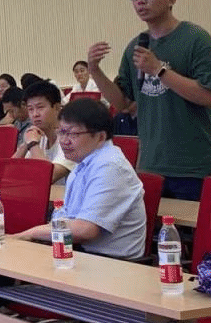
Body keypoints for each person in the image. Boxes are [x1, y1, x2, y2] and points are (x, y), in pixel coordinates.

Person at [87, 0, 211, 201]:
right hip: (151, 164)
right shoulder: (136, 46)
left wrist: (159, 70)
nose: (140, 0)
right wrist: (95, 70)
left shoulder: (196, 39)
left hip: (194, 166)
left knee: (193, 226)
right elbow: (124, 103)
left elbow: (210, 96)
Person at [15, 100, 146, 260]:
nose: (64, 141)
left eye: (73, 134)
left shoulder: (110, 166)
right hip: (81, 254)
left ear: (100, 137)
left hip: (112, 263)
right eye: (61, 132)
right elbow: (66, 218)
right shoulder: (83, 162)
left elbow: (85, 230)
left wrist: (31, 233)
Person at [13, 80, 76, 183]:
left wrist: (32, 144)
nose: (35, 114)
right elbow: (9, 173)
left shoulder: (71, 138)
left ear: (57, 107)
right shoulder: (38, 135)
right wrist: (25, 144)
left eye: (40, 107)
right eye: (30, 109)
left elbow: (49, 176)